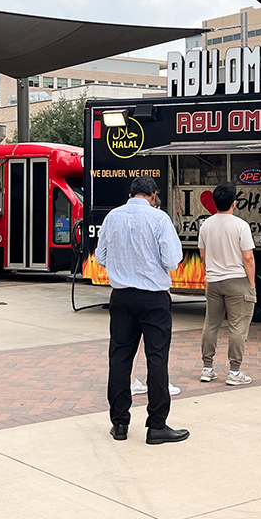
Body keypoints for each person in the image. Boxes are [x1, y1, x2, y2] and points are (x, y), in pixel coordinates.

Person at [96, 177, 188, 445]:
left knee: (120, 357)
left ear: (132, 193)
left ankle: (120, 423)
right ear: (153, 195)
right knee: (156, 358)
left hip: (121, 296)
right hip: (154, 298)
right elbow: (172, 261)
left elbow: (101, 257)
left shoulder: (113, 217)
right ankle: (157, 425)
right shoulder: (159, 219)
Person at [198, 182, 257, 387]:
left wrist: (210, 272)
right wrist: (250, 283)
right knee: (237, 327)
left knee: (211, 324)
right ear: (234, 203)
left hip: (213, 282)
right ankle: (234, 371)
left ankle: (207, 368)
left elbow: (203, 255)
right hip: (237, 281)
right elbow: (248, 257)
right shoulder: (241, 225)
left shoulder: (206, 225)